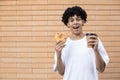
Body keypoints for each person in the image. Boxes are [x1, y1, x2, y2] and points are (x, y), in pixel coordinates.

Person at [53, 6, 109, 80]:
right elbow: (61, 72)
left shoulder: (93, 40)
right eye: (71, 20)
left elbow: (101, 69)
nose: (75, 22)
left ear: (83, 22)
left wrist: (96, 50)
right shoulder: (62, 44)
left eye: (78, 19)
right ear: (68, 24)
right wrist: (58, 55)